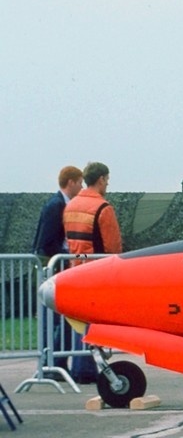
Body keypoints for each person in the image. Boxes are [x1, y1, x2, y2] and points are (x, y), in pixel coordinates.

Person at [61, 162, 119, 384]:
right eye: (107, 179)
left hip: (75, 269)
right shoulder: (103, 208)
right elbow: (113, 247)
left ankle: (79, 365)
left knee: (79, 319)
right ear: (101, 179)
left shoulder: (71, 206)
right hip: (97, 271)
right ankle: (87, 368)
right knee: (95, 321)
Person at [33, 166, 84, 382]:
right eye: (79, 182)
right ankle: (51, 363)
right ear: (70, 182)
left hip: (58, 265)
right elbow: (45, 242)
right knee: (54, 319)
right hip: (53, 268)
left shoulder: (64, 205)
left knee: (62, 320)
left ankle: (57, 362)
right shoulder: (56, 206)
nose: (81, 187)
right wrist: (65, 255)